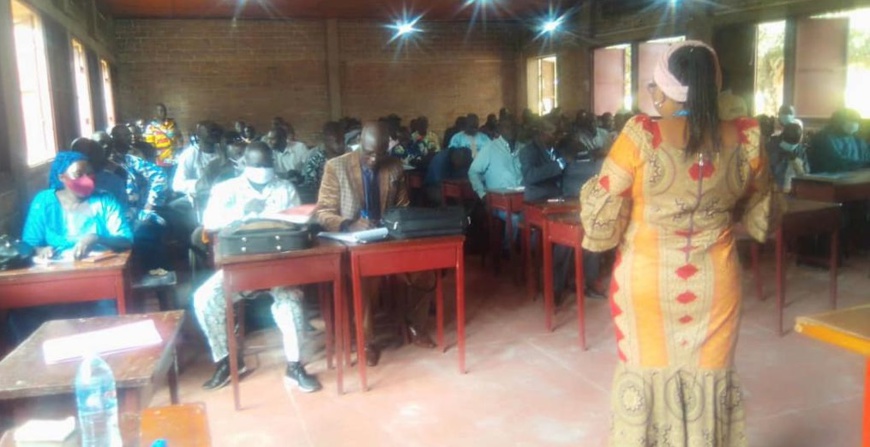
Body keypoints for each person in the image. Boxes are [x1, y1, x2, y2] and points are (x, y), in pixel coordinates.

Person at [580, 40, 780, 446]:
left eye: (656, 87)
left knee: (645, 374)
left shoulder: (641, 136)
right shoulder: (747, 138)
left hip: (646, 283)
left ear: (668, 91)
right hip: (715, 284)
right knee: (709, 377)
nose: (653, 96)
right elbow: (765, 207)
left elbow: (602, 207)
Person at [193, 142, 321, 392]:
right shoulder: (226, 190)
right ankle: (228, 361)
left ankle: (295, 367)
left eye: (267, 164)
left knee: (290, 304)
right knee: (205, 298)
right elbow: (209, 222)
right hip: (238, 266)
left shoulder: (284, 188)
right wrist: (242, 213)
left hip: (278, 266)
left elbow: (298, 223)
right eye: (257, 165)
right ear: (244, 164)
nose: (263, 169)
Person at [315, 121, 435, 366]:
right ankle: (367, 341)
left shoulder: (393, 167)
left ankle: (415, 325)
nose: (374, 159)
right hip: (353, 241)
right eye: (369, 153)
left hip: (387, 238)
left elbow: (402, 208)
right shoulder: (336, 167)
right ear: (360, 142)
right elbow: (323, 212)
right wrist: (350, 223)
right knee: (365, 278)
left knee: (425, 270)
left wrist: (395, 226)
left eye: (381, 153)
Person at [6, 152, 132, 343]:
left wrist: (96, 237)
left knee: (108, 316)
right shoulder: (44, 202)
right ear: (61, 177)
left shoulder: (105, 200)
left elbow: (126, 240)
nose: (86, 179)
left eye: (90, 173)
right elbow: (28, 244)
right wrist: (39, 251)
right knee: (20, 316)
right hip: (52, 282)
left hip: (97, 281)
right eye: (78, 174)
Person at [108, 124, 170, 272]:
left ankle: (158, 275)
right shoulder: (92, 171)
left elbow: (159, 175)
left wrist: (150, 202)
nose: (129, 138)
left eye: (129, 135)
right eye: (125, 135)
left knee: (149, 230)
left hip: (135, 212)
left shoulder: (130, 159)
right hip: (111, 219)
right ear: (113, 138)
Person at [468, 118, 523, 249]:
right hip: (499, 203)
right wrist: (482, 194)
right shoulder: (490, 148)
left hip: (521, 200)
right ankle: (507, 250)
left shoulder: (522, 148)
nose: (511, 130)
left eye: (513, 127)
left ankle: (528, 252)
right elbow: (473, 172)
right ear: (500, 130)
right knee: (514, 219)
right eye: (507, 127)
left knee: (537, 218)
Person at [809, 108, 870, 173]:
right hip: (827, 177)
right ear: (838, 121)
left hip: (854, 175)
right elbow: (836, 161)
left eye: (856, 121)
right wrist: (865, 164)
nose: (854, 124)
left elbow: (866, 154)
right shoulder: (823, 137)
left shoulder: (857, 138)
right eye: (850, 121)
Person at [301, 122, 346, 195]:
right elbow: (310, 188)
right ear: (326, 140)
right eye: (337, 140)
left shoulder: (348, 159)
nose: (342, 144)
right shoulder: (315, 161)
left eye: (343, 140)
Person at [766, 121, 808, 192]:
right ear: (782, 137)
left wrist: (797, 164)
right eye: (788, 142)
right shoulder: (771, 147)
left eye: (794, 143)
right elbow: (768, 170)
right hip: (772, 190)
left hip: (794, 190)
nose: (791, 146)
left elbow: (805, 171)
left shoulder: (799, 149)